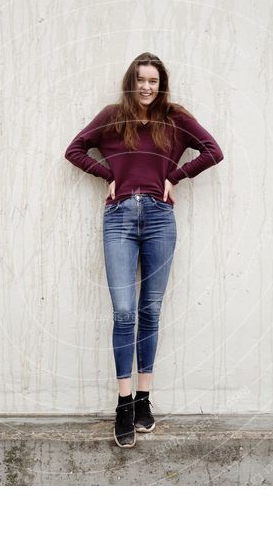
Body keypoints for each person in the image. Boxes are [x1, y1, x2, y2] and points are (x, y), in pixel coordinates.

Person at [64, 52, 224, 448]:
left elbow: (212, 151)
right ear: (131, 82)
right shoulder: (112, 116)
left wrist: (176, 176)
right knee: (123, 311)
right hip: (118, 218)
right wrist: (108, 176)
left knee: (150, 310)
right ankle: (122, 403)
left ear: (161, 83)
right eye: (141, 81)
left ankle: (143, 399)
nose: (147, 88)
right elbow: (75, 150)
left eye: (153, 81)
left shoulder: (176, 118)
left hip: (159, 219)